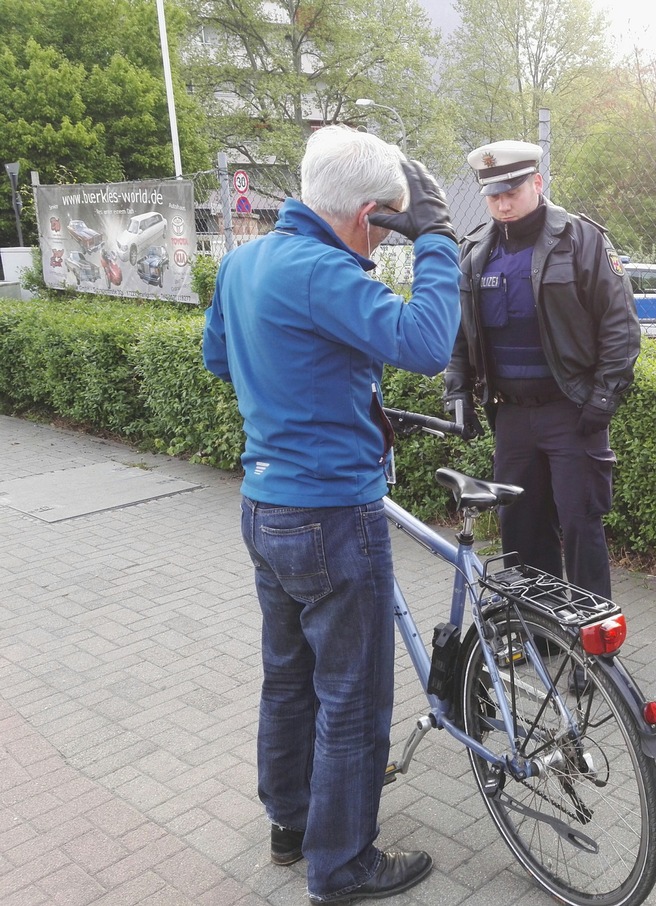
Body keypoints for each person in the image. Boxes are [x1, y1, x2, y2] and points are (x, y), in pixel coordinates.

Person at [202, 125, 460, 905]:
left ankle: (291, 826)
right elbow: (427, 341)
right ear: (368, 217)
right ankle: (343, 864)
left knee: (289, 678)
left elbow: (220, 359)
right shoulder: (322, 271)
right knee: (353, 695)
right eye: (389, 227)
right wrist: (441, 242)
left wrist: (297, 378)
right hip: (331, 517)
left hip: (263, 505)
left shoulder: (244, 262)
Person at [434, 139, 640, 600]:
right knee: (521, 530)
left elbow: (620, 326)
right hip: (510, 418)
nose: (503, 204)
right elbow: (461, 334)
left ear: (538, 183)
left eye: (512, 192)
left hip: (572, 412)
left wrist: (604, 398)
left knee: (581, 525)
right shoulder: (475, 251)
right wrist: (458, 390)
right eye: (493, 196)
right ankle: (539, 632)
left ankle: (593, 648)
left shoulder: (582, 240)